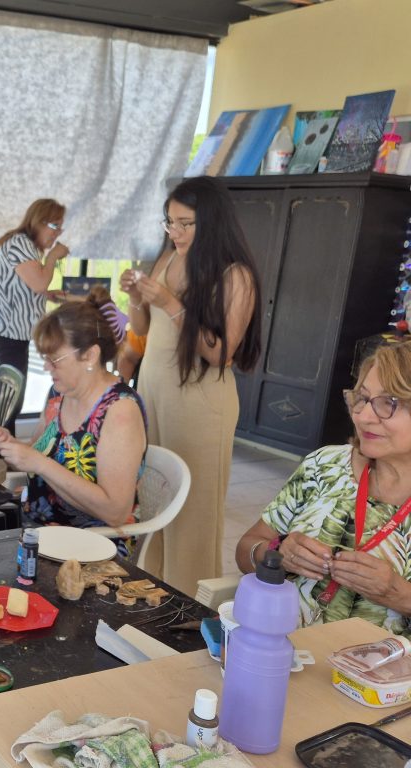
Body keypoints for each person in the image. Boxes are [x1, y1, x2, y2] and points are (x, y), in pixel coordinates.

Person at [120, 175, 261, 597]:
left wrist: (168, 301)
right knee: (152, 497)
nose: (175, 233)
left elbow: (221, 353)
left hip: (201, 401)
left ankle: (186, 605)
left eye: (185, 224)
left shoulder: (236, 276)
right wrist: (135, 298)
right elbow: (143, 330)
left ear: (212, 222)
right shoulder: (168, 257)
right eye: (169, 222)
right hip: (155, 389)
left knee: (193, 510)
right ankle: (155, 588)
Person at [236, 343, 411, 635]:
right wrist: (275, 553)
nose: (364, 416)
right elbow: (245, 551)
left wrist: (399, 594)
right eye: (363, 399)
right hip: (282, 649)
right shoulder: (325, 466)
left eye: (387, 403)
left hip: (380, 675)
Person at [0, 291, 147, 555]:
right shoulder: (60, 395)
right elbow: (36, 455)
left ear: (90, 356)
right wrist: (12, 447)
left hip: (94, 544)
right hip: (38, 530)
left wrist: (39, 463)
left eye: (55, 359)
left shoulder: (120, 410)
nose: (47, 368)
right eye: (45, 358)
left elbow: (116, 512)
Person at [0, 198, 69, 427]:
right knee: (11, 402)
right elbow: (38, 282)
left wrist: (46, 295)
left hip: (14, 333)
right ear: (38, 222)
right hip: (7, 333)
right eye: (54, 226)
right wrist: (52, 258)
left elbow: (26, 286)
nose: (57, 233)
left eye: (60, 227)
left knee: (11, 400)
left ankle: (1, 451)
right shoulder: (19, 244)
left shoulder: (26, 246)